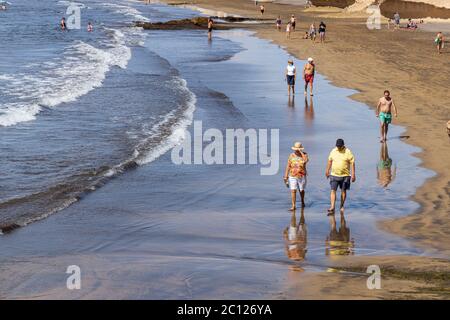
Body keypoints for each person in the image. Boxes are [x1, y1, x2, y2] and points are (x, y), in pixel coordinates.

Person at [325, 139, 356, 214]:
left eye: (339, 146)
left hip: (345, 175)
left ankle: (342, 206)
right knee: (333, 190)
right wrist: (327, 170)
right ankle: (332, 206)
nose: (338, 147)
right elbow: (330, 161)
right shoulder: (333, 151)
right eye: (337, 146)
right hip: (334, 174)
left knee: (343, 191)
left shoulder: (348, 152)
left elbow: (352, 163)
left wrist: (353, 174)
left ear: (343, 145)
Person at [284, 142, 309, 210]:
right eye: (296, 149)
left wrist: (301, 152)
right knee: (293, 190)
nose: (296, 150)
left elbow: (306, 160)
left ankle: (302, 201)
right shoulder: (291, 155)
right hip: (292, 175)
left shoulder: (304, 154)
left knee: (301, 190)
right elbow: (288, 166)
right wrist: (285, 176)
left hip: (302, 175)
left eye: (298, 149)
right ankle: (293, 205)